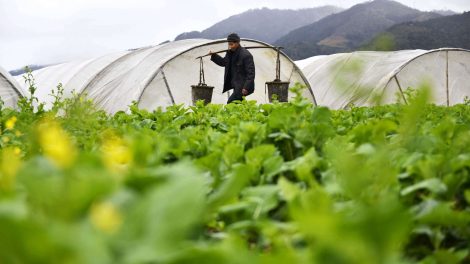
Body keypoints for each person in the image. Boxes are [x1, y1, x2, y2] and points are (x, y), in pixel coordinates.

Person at [210, 33, 255, 104]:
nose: (230, 46)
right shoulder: (230, 53)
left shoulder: (246, 55)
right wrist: (214, 56)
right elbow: (223, 62)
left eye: (232, 44)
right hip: (236, 84)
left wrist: (246, 87)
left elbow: (251, 73)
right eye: (229, 44)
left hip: (242, 86)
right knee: (238, 105)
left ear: (237, 43)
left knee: (230, 103)